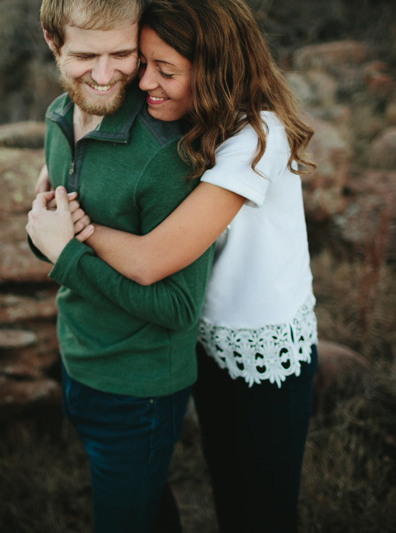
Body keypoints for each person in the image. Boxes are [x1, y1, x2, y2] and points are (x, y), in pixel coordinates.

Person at [29, 0, 318, 531]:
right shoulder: (193, 122)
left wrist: (71, 233)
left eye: (165, 70)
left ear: (213, 70)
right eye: (146, 65)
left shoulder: (257, 139)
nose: (145, 84)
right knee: (226, 484)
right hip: (205, 339)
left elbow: (149, 260)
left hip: (263, 349)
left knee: (265, 509)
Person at [27, 1, 214, 531]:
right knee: (146, 508)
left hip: (141, 389)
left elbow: (179, 308)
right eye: (86, 55)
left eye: (123, 55)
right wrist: (40, 231)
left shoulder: (165, 154)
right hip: (79, 358)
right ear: (51, 39)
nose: (106, 75)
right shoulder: (59, 117)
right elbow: (50, 232)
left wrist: (66, 254)